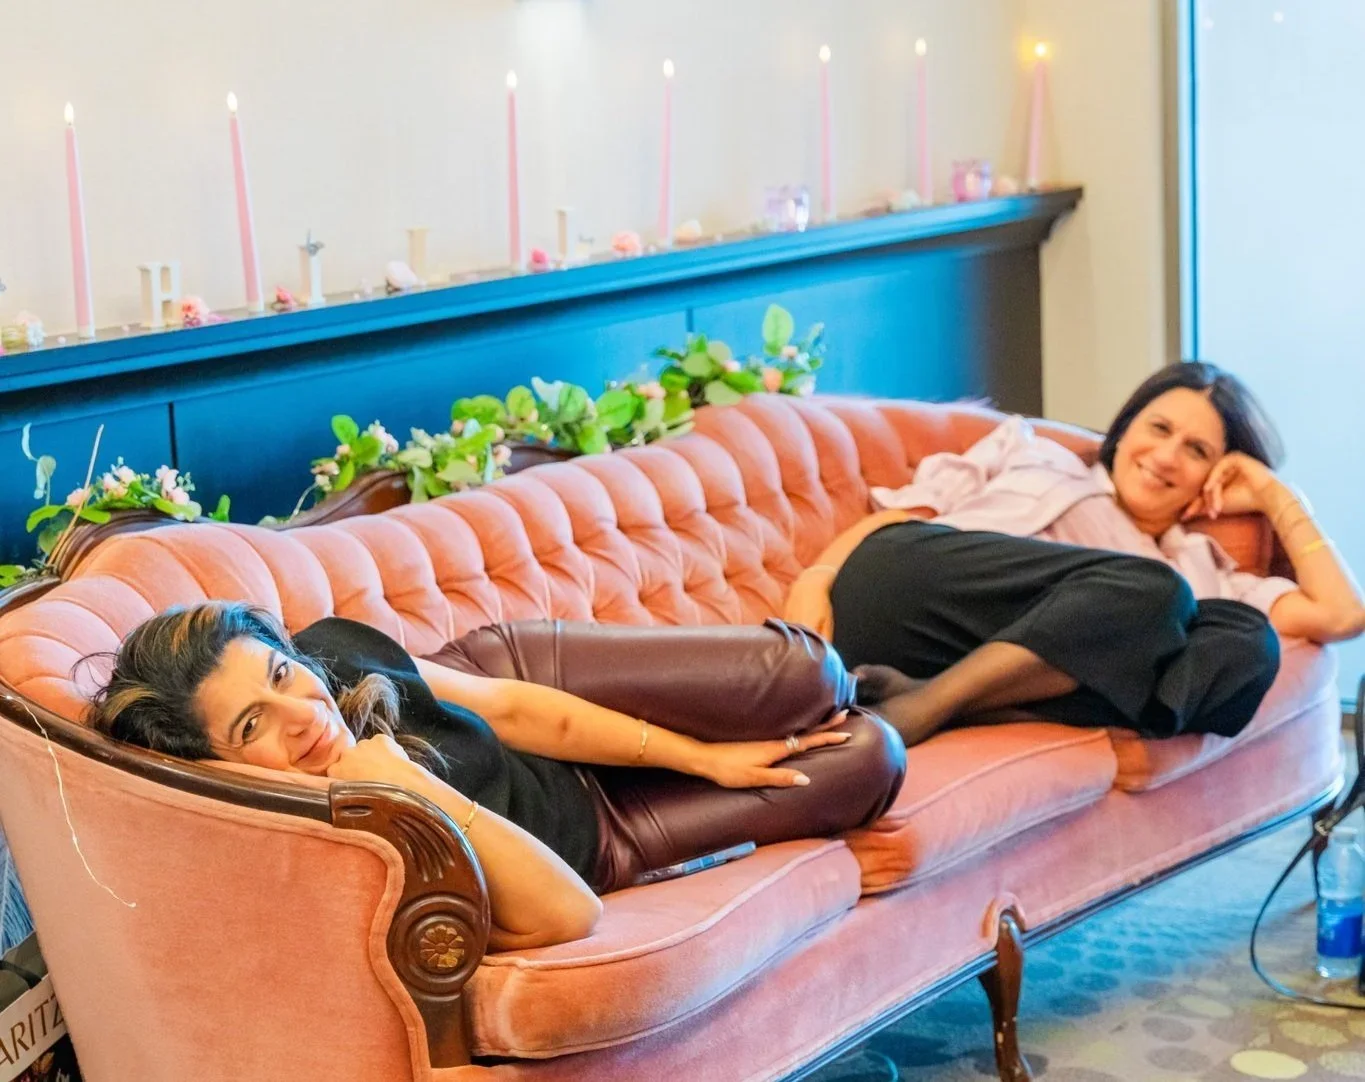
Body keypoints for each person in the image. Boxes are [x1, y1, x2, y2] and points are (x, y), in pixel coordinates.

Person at [87, 605, 905, 949]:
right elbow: (568, 913)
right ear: (219, 767)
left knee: (805, 674)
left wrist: (703, 758)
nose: (300, 712)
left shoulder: (336, 663)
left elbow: (519, 713)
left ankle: (875, 681)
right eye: (251, 726)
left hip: (526, 688)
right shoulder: (333, 846)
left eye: (277, 674)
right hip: (595, 842)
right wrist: (399, 787)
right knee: (868, 759)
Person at [784, 362, 1365, 747]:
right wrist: (816, 578)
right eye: (1157, 428)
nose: (1165, 456)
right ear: (1126, 425)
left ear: (1216, 473)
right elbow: (897, 523)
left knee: (1247, 640)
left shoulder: (1203, 566)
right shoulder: (1033, 453)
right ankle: (926, 710)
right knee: (1157, 591)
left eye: (1196, 450)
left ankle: (944, 700)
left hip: (966, 658)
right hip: (918, 589)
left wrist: (1275, 493)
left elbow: (1344, 615)